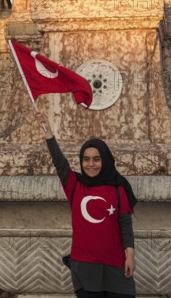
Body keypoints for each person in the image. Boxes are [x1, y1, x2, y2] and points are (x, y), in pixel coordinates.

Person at [41, 114, 137, 298]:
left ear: (105, 160)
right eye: (86, 159)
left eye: (96, 159)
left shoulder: (118, 188)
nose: (90, 164)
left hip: (116, 264)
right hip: (85, 266)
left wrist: (130, 256)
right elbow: (60, 164)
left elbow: (125, 225)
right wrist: (48, 132)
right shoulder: (75, 185)